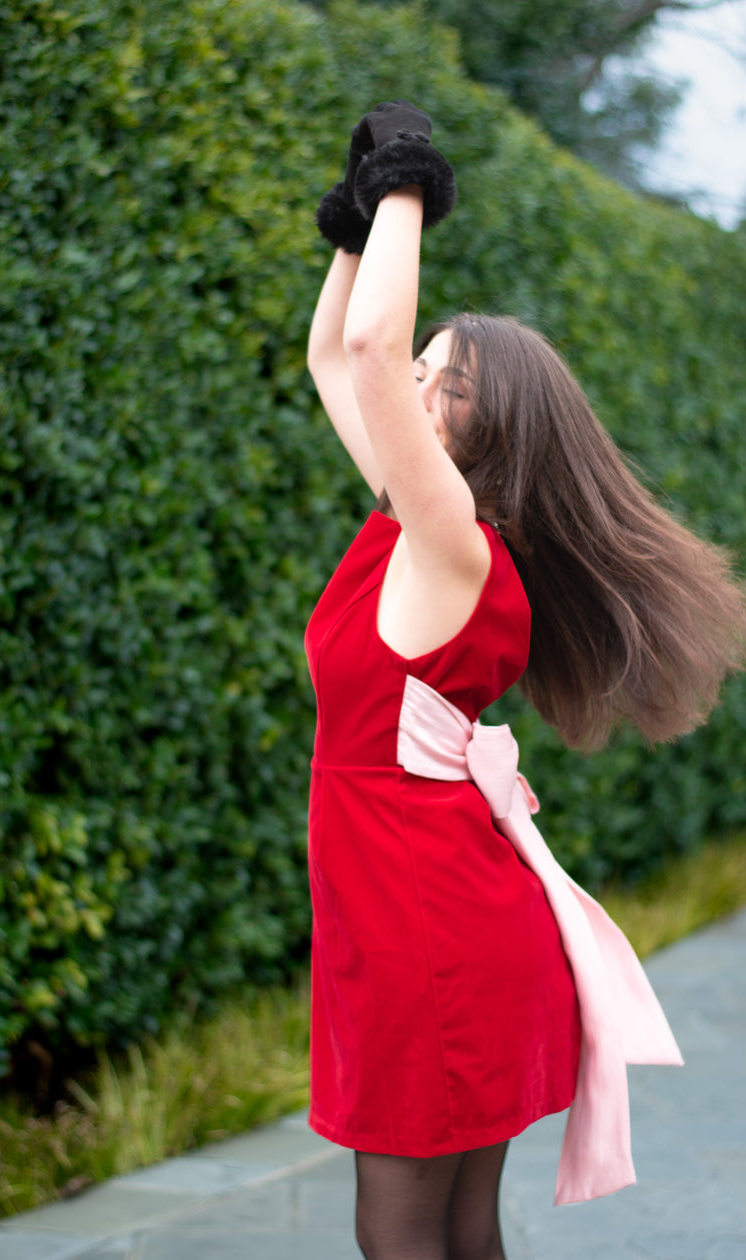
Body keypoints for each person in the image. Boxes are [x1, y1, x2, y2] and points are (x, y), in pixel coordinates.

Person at [303, 102, 746, 1260]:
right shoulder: (419, 525)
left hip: (427, 933)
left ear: (487, 427)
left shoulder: (452, 536)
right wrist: (357, 221)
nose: (407, 380)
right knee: (455, 1236)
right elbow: (331, 352)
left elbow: (364, 351)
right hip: (426, 911)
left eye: (437, 379)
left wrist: (407, 181)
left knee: (402, 1241)